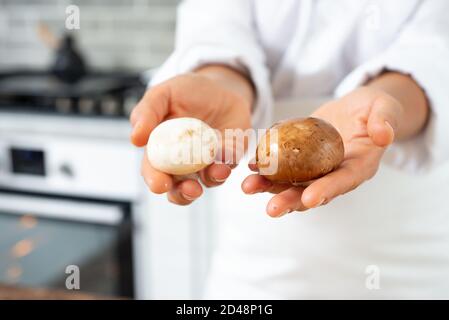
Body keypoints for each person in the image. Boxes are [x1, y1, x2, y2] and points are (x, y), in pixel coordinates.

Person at [130, 0, 449, 299]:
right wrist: (221, 84)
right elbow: (215, 30)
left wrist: (387, 103)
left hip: (408, 253)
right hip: (255, 258)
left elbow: (435, 48)